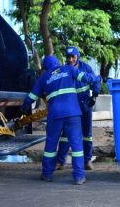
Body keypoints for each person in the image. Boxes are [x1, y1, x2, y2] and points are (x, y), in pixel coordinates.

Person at [21, 55, 101, 185]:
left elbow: (32, 96)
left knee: (51, 145)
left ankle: (47, 174)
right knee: (77, 146)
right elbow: (86, 78)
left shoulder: (44, 78)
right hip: (73, 114)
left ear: (45, 67)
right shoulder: (69, 69)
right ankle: (79, 177)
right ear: (57, 63)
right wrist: (98, 79)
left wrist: (24, 106)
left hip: (55, 115)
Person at [56, 46, 100, 171]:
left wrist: (95, 95)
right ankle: (60, 162)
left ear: (77, 57)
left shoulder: (86, 68)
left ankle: (87, 161)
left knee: (87, 135)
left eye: (73, 57)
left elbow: (96, 81)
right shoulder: (63, 70)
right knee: (65, 135)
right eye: (68, 57)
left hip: (85, 105)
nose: (70, 59)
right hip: (70, 107)